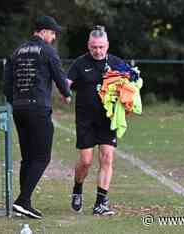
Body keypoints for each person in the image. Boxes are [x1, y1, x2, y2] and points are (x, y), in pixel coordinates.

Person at [4, 15, 71, 219]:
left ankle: (25, 204)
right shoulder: (47, 50)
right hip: (38, 108)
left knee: (28, 158)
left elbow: (7, 82)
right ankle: (23, 201)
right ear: (42, 31)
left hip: (18, 108)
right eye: (52, 33)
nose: (53, 37)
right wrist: (67, 93)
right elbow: (58, 74)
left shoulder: (17, 52)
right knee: (42, 157)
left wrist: (14, 100)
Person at [67, 25, 126, 216]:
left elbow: (130, 86)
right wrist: (64, 92)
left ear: (107, 45)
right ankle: (77, 188)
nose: (97, 51)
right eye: (94, 47)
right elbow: (66, 84)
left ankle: (101, 203)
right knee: (86, 161)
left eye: (101, 47)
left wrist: (128, 103)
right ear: (88, 45)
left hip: (108, 119)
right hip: (85, 119)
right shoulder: (79, 63)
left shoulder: (117, 63)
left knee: (107, 157)